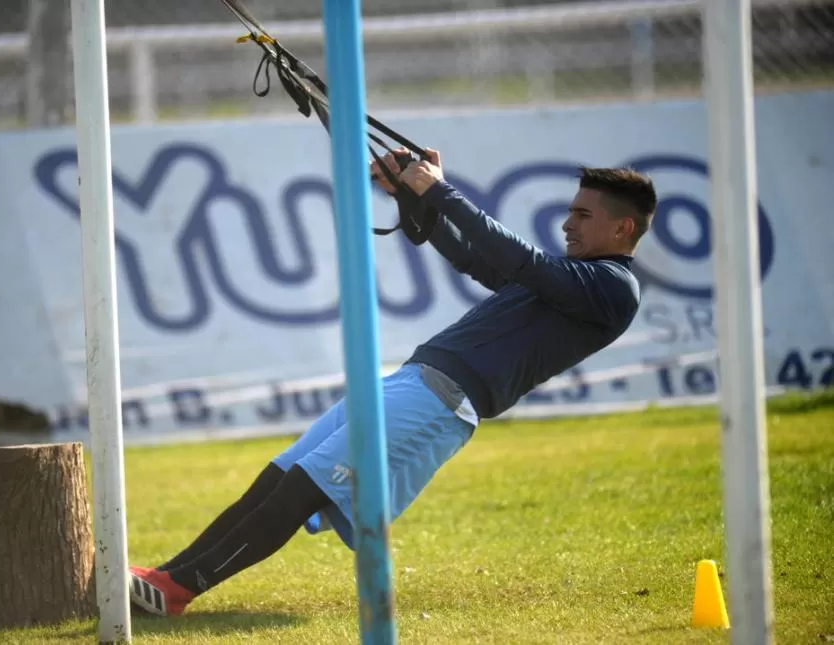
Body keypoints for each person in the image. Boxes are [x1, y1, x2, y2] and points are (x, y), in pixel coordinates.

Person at [127, 147, 657, 617]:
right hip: (414, 382)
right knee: (280, 475)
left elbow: (520, 259)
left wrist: (439, 190)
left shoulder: (611, 287)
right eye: (570, 211)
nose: (568, 223)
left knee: (303, 488)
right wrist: (414, 195)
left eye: (583, 215)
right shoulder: (575, 279)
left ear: (622, 229)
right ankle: (166, 575)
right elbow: (474, 257)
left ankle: (179, 589)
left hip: (441, 399)